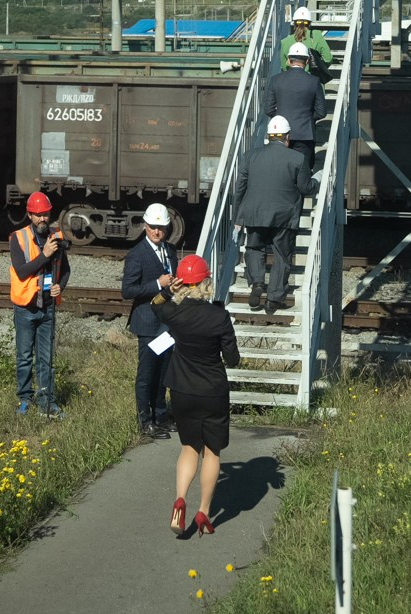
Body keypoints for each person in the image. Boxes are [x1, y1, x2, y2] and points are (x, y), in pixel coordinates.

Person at [153, 256, 239, 537]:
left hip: (181, 389)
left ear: (181, 283)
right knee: (211, 452)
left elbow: (155, 305)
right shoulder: (219, 316)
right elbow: (233, 359)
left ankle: (180, 500)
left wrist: (168, 290)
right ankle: (203, 511)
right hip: (212, 391)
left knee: (189, 447)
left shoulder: (173, 314)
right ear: (206, 282)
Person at [231, 116, 312, 314]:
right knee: (281, 256)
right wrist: (316, 180)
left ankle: (257, 283)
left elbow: (239, 187)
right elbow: (306, 188)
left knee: (254, 248)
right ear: (288, 137)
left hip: (255, 213)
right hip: (284, 217)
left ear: (268, 136)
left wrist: (238, 217)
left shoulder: (250, 156)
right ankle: (274, 299)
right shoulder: (297, 159)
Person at [120, 202, 179, 440]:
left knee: (164, 372)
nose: (157, 231)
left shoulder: (170, 251)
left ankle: (161, 415)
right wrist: (158, 285)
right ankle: (145, 421)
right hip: (147, 324)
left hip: (166, 324)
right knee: (147, 374)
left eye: (161, 227)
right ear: (145, 226)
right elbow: (128, 290)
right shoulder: (137, 254)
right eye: (153, 227)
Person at [8, 191, 68, 417]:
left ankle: (47, 402)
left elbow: (66, 269)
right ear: (29, 215)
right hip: (26, 308)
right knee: (24, 357)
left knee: (47, 358)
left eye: (46, 214)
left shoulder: (56, 236)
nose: (43, 219)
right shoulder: (18, 238)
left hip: (48, 307)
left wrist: (60, 286)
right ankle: (24, 399)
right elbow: (22, 271)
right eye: (39, 215)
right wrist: (44, 255)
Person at [264, 45, 325, 168]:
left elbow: (268, 109)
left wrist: (281, 118)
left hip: (279, 135)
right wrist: (307, 118)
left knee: (281, 171)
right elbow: (321, 112)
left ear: (288, 60)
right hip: (305, 135)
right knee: (303, 172)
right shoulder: (314, 81)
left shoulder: (276, 80)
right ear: (307, 61)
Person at [274, 6, 334, 79]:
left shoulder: (285, 42)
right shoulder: (316, 36)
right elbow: (328, 59)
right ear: (309, 23)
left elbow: (285, 67)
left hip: (293, 82)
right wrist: (318, 66)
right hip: (314, 81)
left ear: (295, 24)